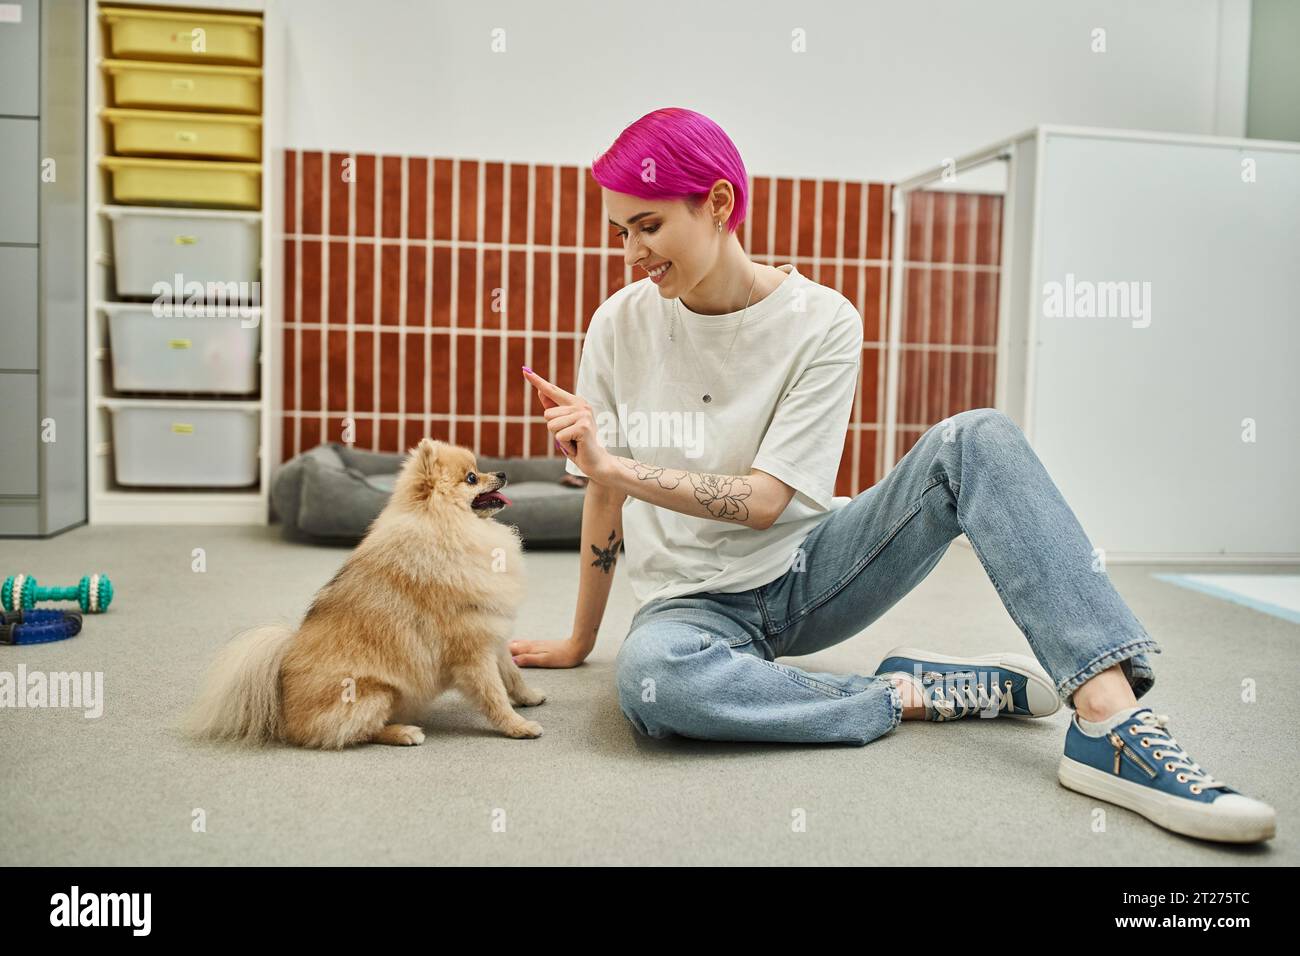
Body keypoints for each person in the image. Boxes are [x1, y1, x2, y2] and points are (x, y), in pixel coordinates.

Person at [511, 107, 1275, 845]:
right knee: (657, 683)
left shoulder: (823, 321)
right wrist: (582, 640)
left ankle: (1111, 724)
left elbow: (767, 503)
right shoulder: (618, 323)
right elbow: (603, 492)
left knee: (977, 437)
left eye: (649, 227)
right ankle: (909, 693)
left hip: (813, 574)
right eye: (620, 232)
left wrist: (615, 463)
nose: (632, 254)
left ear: (717, 204)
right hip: (691, 608)